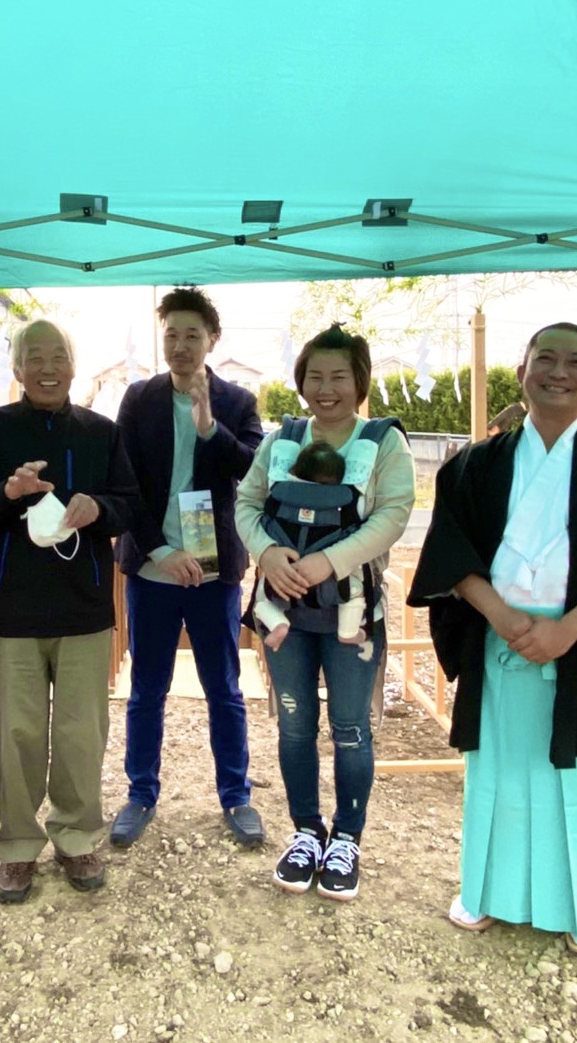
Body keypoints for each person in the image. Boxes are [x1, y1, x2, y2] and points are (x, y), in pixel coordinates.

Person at [409, 322, 577, 954]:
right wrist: (502, 618)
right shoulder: (474, 466)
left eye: (575, 363)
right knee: (499, 771)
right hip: (496, 637)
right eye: (545, 360)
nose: (558, 372)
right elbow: (450, 553)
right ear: (522, 371)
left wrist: (568, 629)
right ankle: (484, 892)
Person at [0, 319, 140, 904]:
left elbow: (128, 505)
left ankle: (78, 835)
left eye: (57, 356)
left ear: (73, 363)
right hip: (12, 611)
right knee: (15, 733)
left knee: (83, 732)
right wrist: (8, 493)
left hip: (85, 609)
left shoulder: (100, 432)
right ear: (15, 368)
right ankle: (16, 845)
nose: (47, 367)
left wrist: (99, 509)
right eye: (34, 357)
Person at [234, 324, 415, 902]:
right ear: (301, 380)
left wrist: (326, 563)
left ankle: (347, 839)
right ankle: (306, 832)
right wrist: (267, 551)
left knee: (350, 728)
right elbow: (247, 502)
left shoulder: (384, 442)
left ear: (360, 380)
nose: (326, 388)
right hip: (284, 611)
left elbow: (393, 514)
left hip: (351, 617)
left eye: (339, 376)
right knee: (293, 725)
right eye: (316, 376)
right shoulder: (281, 439)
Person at [112, 287, 265, 849]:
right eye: (171, 334)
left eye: (191, 335)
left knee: (223, 687)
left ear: (212, 340)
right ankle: (140, 794)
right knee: (146, 688)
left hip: (212, 569)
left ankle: (237, 796)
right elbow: (123, 484)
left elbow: (252, 474)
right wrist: (158, 550)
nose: (179, 345)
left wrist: (207, 426)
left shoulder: (238, 401)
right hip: (154, 567)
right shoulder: (139, 398)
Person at [250, 441, 369, 653]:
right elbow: (356, 534)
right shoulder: (346, 503)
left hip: (284, 581)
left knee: (261, 597)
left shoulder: (277, 498)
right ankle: (348, 631)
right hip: (330, 584)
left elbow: (265, 525)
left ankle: (278, 623)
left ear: (295, 470)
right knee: (355, 590)